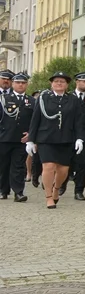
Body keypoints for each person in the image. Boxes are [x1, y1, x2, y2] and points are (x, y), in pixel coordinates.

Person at [26, 72, 85, 209]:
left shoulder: (73, 99)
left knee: (63, 169)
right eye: (56, 81)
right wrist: (31, 140)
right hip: (46, 138)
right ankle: (48, 197)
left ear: (67, 85)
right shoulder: (43, 98)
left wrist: (80, 138)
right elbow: (35, 119)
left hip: (66, 138)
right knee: (48, 166)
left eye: (62, 81)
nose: (59, 83)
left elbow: (78, 120)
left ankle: (56, 189)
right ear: (51, 83)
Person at [63, 72, 85, 201]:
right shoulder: (68, 97)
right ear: (77, 82)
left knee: (83, 164)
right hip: (69, 135)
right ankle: (62, 184)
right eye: (84, 81)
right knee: (66, 162)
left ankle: (79, 190)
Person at [0, 71, 32, 202]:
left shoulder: (32, 101)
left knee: (18, 166)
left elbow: (35, 120)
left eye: (23, 83)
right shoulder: (3, 99)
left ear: (26, 85)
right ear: (13, 84)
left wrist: (31, 134)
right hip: (4, 137)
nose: (20, 85)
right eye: (18, 82)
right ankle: (3, 190)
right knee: (3, 165)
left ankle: (18, 192)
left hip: (21, 139)